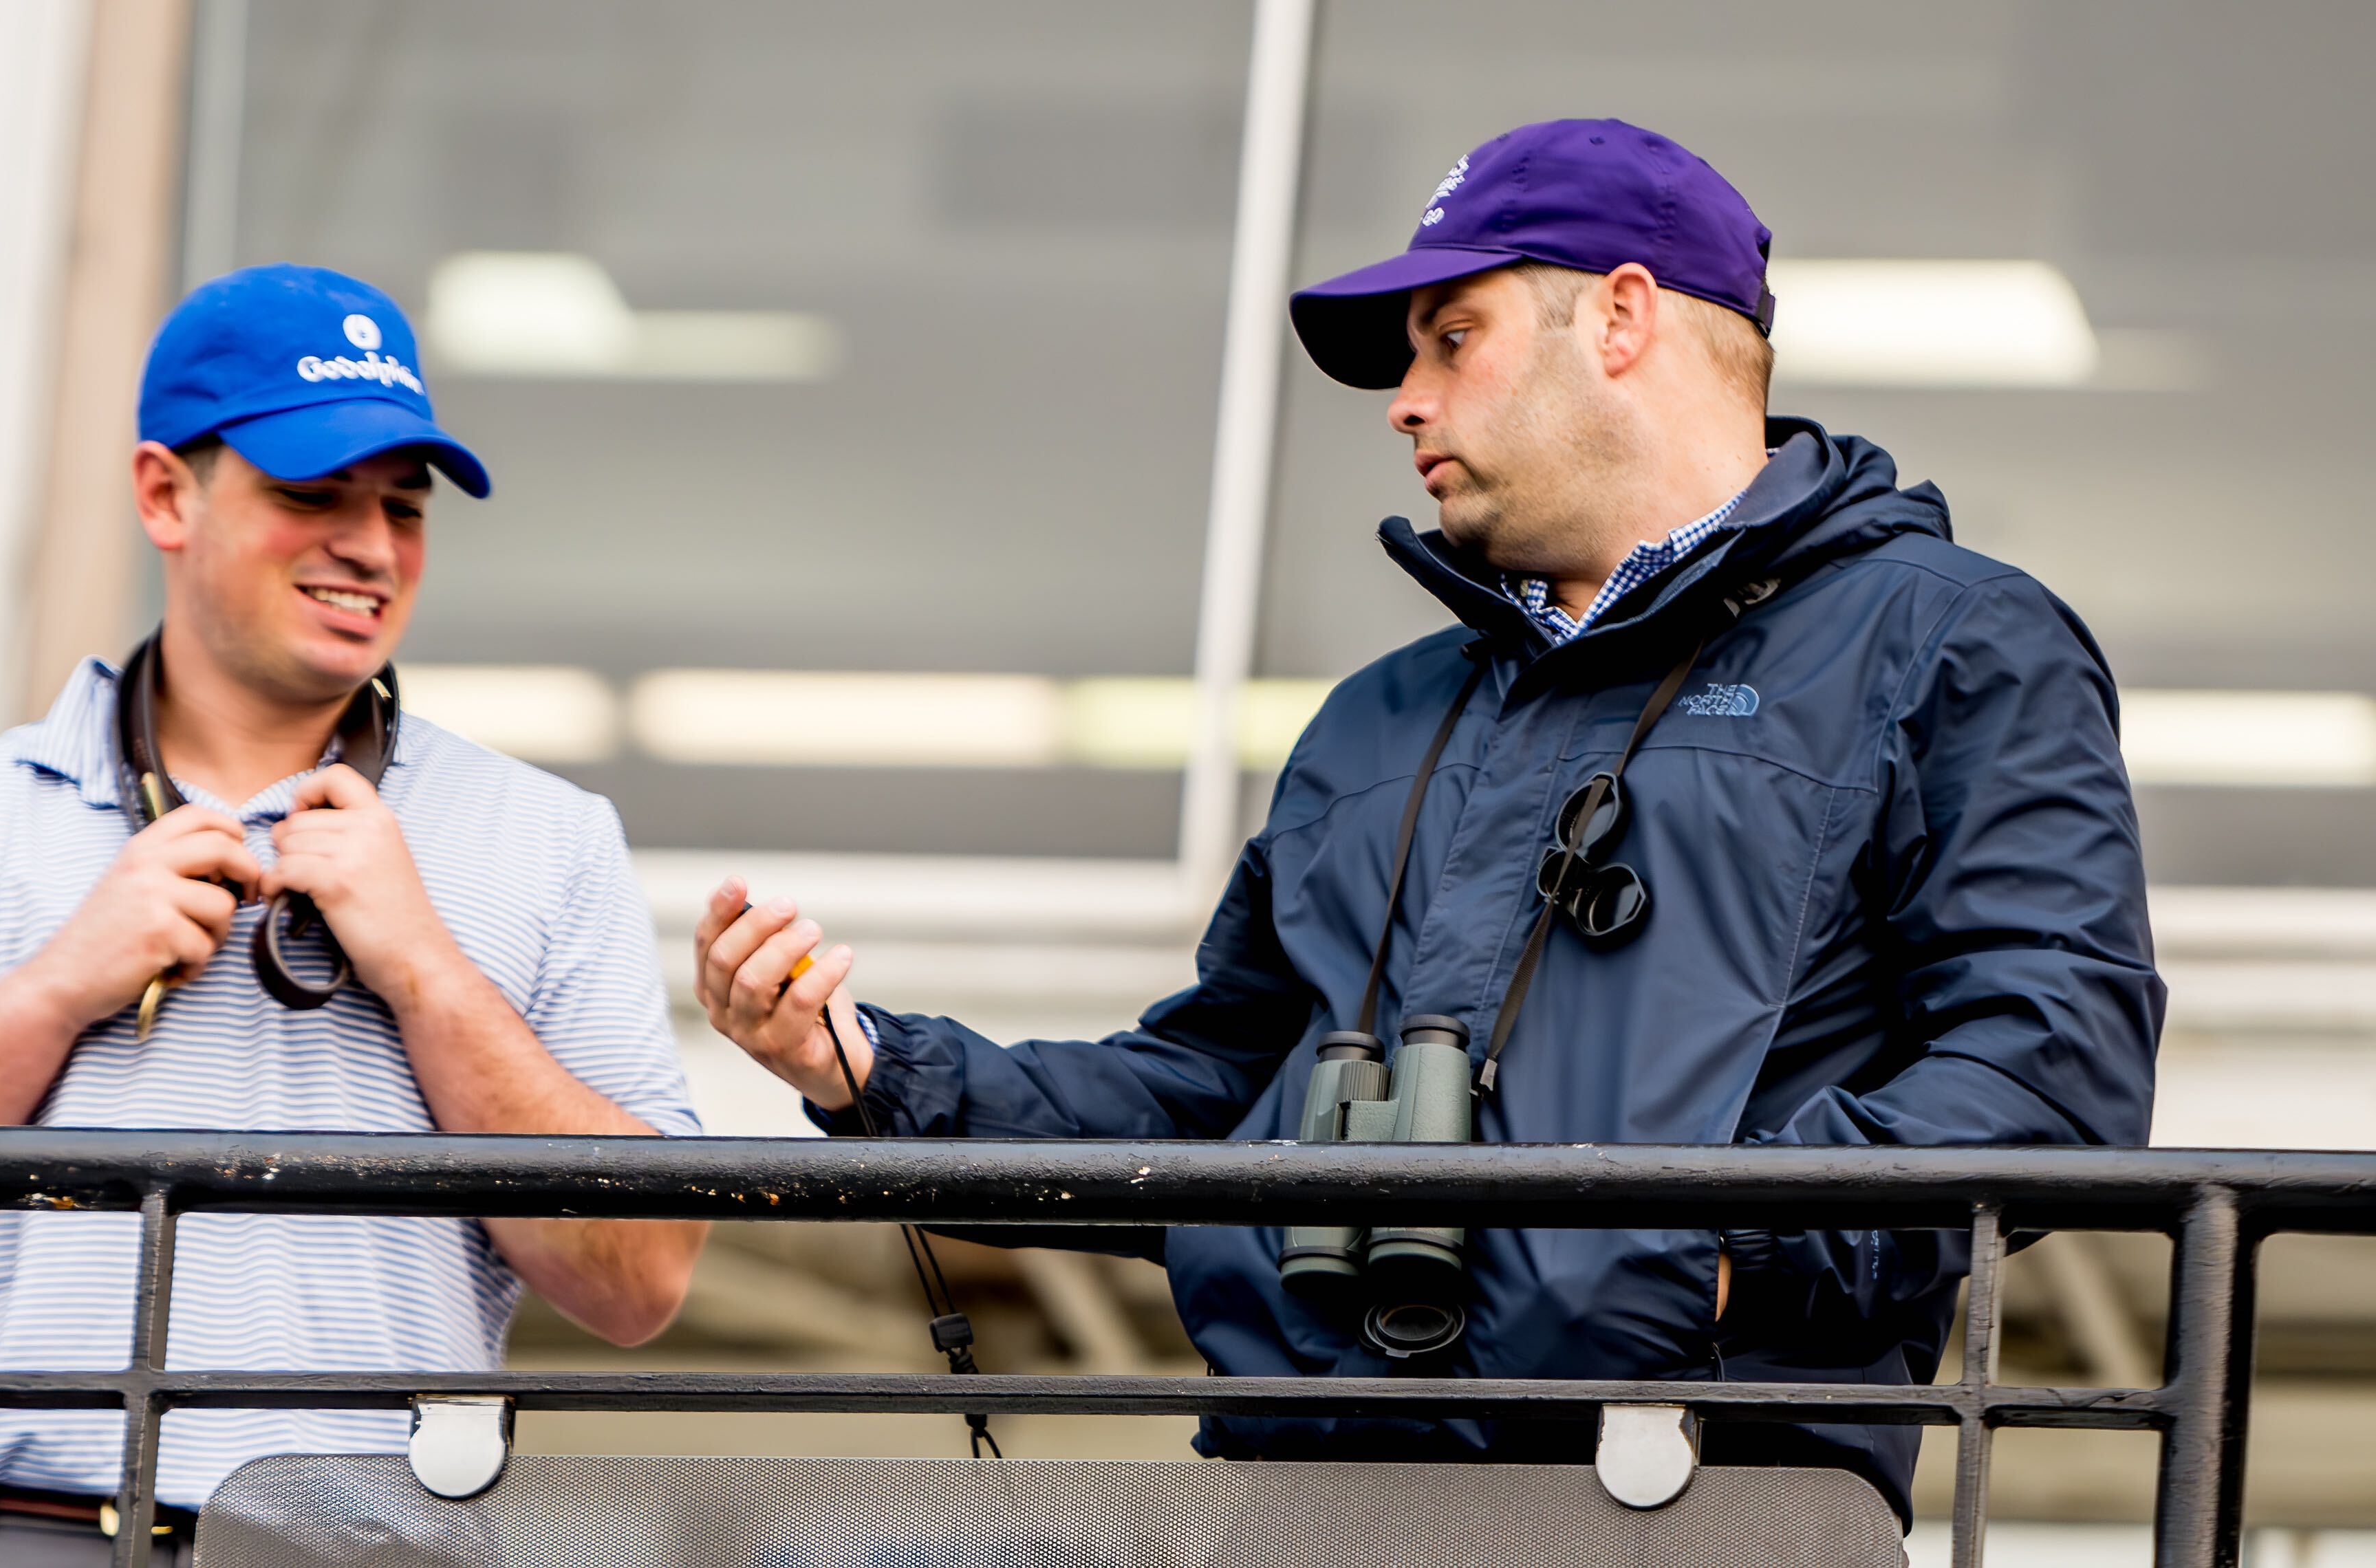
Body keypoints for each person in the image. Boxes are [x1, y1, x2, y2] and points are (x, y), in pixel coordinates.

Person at [697, 118, 2161, 1520]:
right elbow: (1215, 1101)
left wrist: (1703, 1263)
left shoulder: (1950, 645)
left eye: (1448, 339)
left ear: (1622, 319)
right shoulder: (1374, 722)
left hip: (1702, 1503)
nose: (1403, 401)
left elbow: (2048, 1069)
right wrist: (873, 1068)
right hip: (1299, 1504)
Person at [0, 264, 706, 1560]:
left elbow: (640, 1284)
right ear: (164, 494)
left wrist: (427, 972)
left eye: (403, 506)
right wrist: (59, 985)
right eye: (311, 495)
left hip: (374, 1547)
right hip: (20, 1537)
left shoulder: (546, 838)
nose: (370, 545)